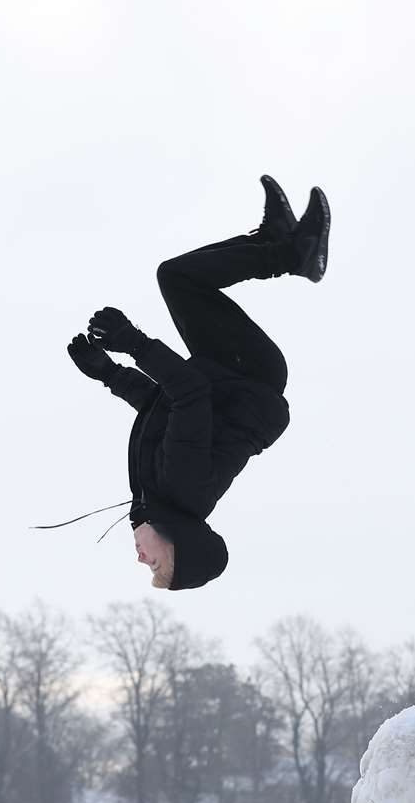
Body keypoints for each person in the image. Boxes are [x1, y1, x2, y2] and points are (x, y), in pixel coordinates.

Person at [66, 175, 330, 590]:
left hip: (226, 371)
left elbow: (163, 407)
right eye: (156, 566)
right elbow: (188, 391)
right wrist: (132, 342)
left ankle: (277, 242)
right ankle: (293, 253)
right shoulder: (182, 489)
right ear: (178, 546)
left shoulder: (160, 496)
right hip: (247, 374)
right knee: (177, 278)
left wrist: (108, 374)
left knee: (177, 278)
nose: (141, 559)